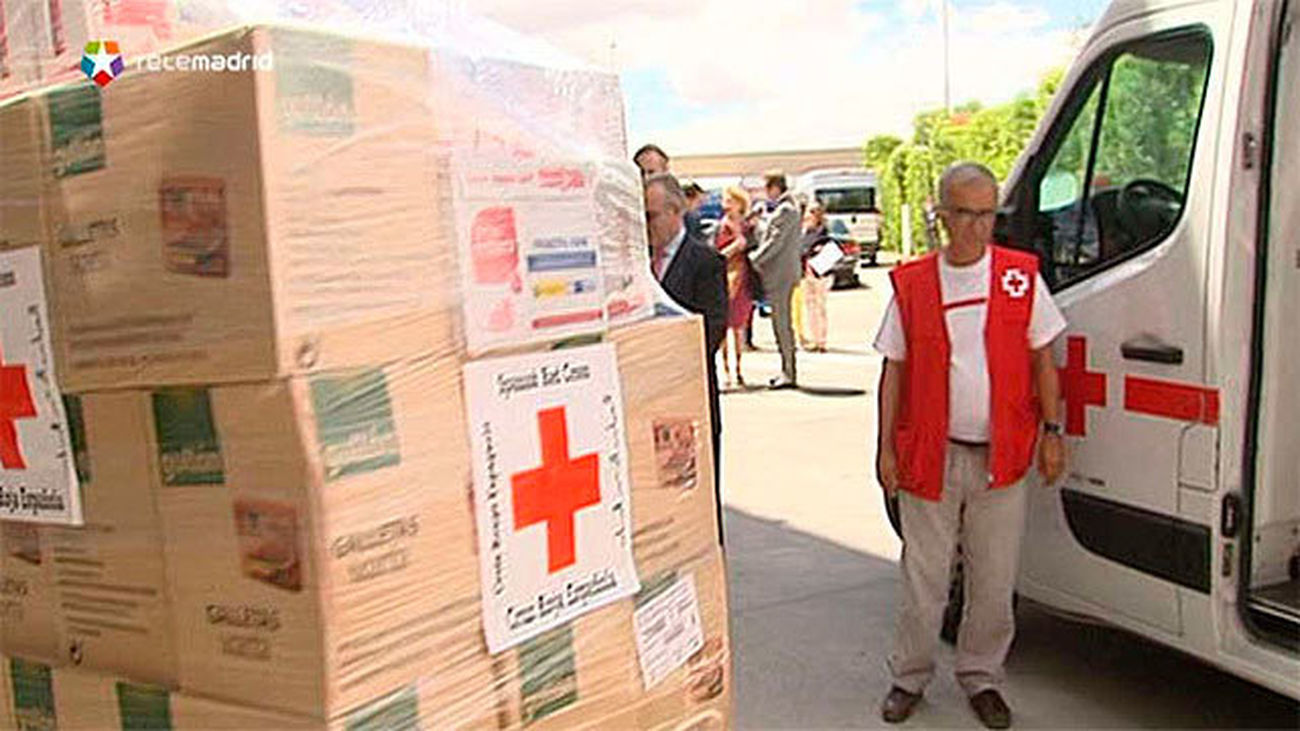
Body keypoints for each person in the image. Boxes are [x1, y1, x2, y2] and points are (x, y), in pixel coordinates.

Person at [873, 162, 1067, 730]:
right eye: (965, 214)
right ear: (942, 216)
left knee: (993, 581)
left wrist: (1053, 434)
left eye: (987, 215)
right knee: (924, 581)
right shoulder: (913, 284)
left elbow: (1043, 362)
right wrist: (885, 449)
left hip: (1002, 458)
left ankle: (982, 678)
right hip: (930, 455)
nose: (978, 228)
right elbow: (895, 374)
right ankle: (909, 677)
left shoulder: (1017, 277)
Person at [644, 172, 728, 544]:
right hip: (649, 401)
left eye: (652, 216)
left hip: (688, 398)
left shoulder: (705, 262)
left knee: (696, 499)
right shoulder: (638, 263)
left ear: (676, 211)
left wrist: (666, 361)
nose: (646, 226)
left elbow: (712, 330)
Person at [749, 172, 802, 389]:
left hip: (781, 275)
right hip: (782, 274)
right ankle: (786, 369)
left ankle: (789, 372)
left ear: (774, 188)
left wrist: (755, 259)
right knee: (780, 323)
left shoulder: (786, 210)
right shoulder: (785, 209)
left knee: (781, 324)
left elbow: (775, 242)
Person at [714, 186, 756, 387]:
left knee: (739, 327)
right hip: (726, 278)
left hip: (744, 279)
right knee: (725, 326)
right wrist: (735, 246)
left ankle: (739, 370)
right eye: (725, 201)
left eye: (730, 200)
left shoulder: (748, 225)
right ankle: (726, 372)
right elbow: (718, 254)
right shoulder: (722, 226)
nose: (726, 205)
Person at [800, 203, 833, 352]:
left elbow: (825, 249)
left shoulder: (823, 233)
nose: (807, 217)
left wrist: (815, 250)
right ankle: (814, 338)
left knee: (820, 307)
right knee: (810, 307)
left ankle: (821, 341)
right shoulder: (805, 233)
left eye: (810, 214)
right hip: (807, 273)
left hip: (820, 273)